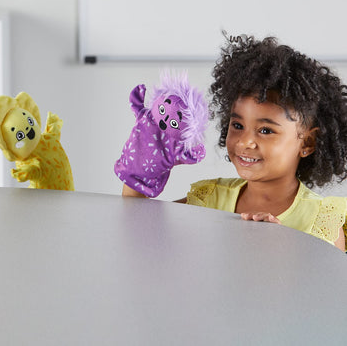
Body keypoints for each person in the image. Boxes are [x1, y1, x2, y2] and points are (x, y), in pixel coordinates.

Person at [122, 35, 347, 251]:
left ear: (307, 143)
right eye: (238, 125)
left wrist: (280, 250)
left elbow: (328, 279)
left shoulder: (322, 220)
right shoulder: (211, 199)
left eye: (266, 130)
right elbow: (139, 230)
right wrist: (144, 162)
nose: (245, 141)